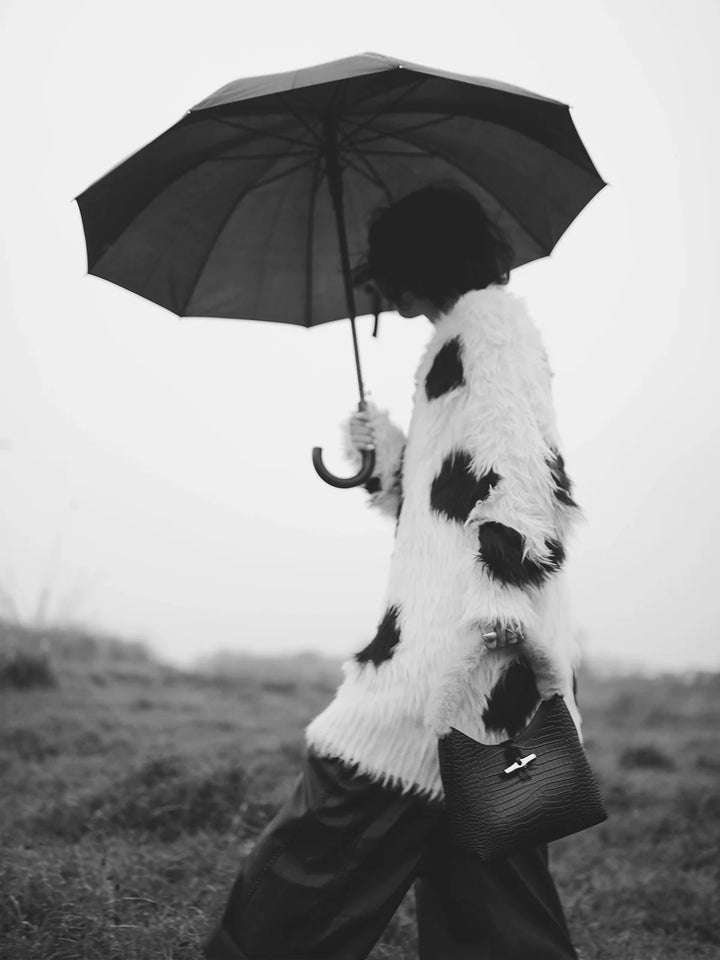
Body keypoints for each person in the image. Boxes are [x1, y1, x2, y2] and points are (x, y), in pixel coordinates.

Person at [202, 183, 586, 960]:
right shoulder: (470, 335)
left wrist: (493, 626)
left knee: (313, 858)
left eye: (393, 274)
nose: (393, 297)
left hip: (450, 662)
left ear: (424, 260)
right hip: (495, 680)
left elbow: (520, 476)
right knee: (497, 913)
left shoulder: (486, 332)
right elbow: (450, 497)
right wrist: (384, 455)